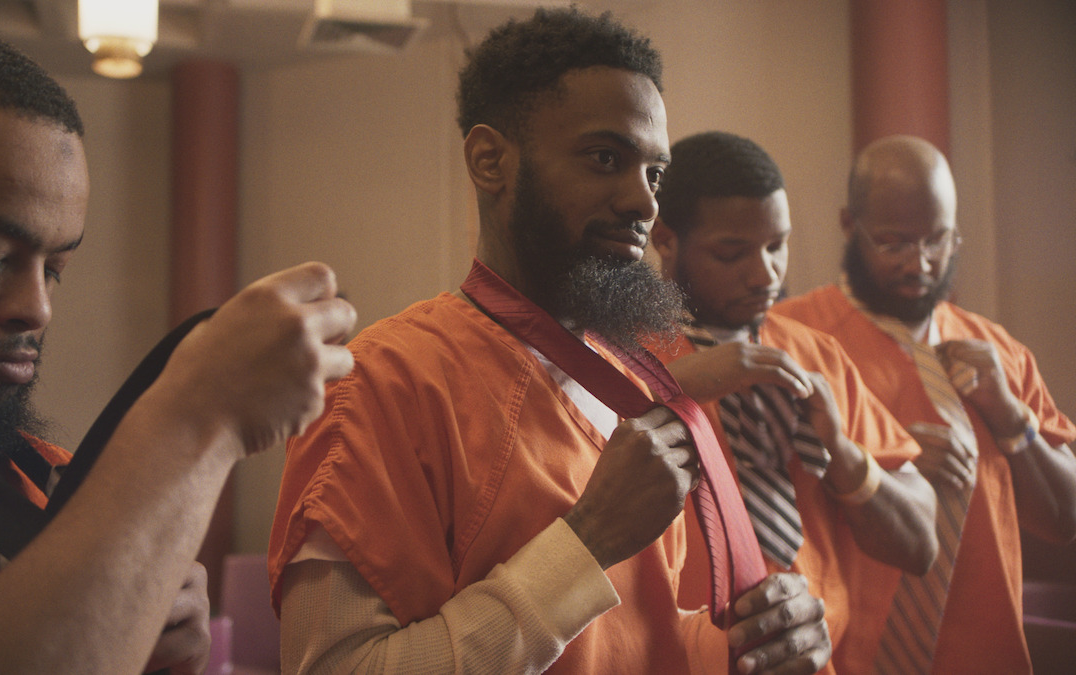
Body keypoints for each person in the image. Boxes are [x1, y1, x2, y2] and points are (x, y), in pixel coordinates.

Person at [268, 8, 830, 674]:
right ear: (489, 161)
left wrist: (753, 643)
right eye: (604, 158)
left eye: (654, 174)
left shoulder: (640, 379)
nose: (644, 203)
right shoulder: (382, 382)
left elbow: (629, 641)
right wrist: (586, 541)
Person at [0, 11, 356, 675]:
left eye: (55, 268)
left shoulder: (51, 480)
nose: (36, 309)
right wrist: (196, 419)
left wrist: (148, 643)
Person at [774, 134, 1076, 673]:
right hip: (841, 656)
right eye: (893, 242)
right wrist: (886, 474)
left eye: (938, 240)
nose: (920, 263)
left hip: (986, 657)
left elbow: (1066, 519)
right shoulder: (791, 337)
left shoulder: (999, 353)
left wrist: (1012, 420)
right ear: (850, 225)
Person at [648, 130, 938, 674]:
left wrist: (844, 453)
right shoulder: (618, 359)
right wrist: (673, 387)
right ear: (665, 238)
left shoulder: (816, 355)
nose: (766, 275)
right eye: (732, 253)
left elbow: (919, 545)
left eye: (777, 246)